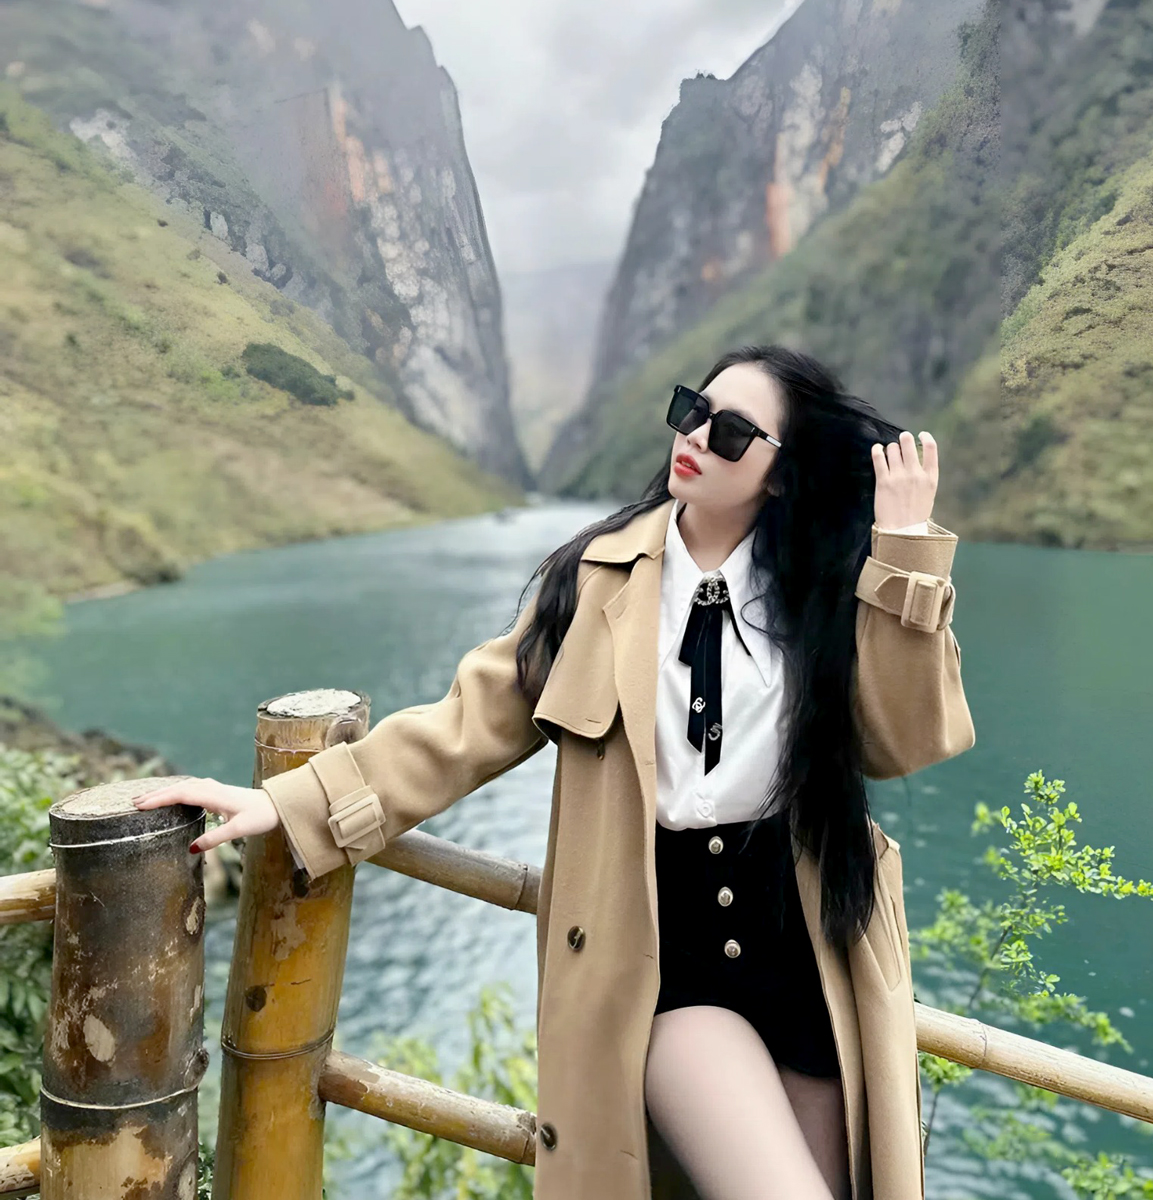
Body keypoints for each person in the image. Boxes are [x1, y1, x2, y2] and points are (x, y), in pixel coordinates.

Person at [135, 344, 973, 1200]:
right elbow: (468, 723)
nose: (694, 436)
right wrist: (295, 803)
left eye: (729, 432)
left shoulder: (823, 590)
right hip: (666, 965)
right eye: (691, 410)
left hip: (811, 962)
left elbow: (905, 742)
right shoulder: (596, 581)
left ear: (782, 474)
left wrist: (905, 553)